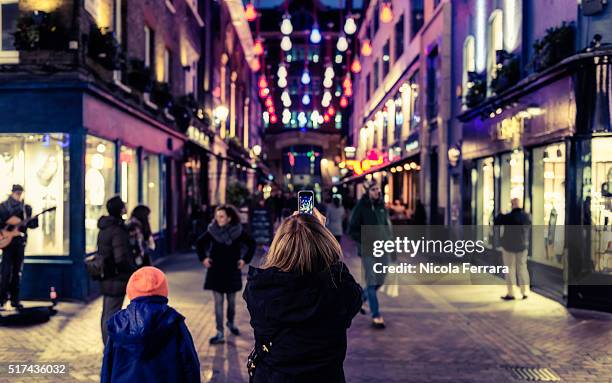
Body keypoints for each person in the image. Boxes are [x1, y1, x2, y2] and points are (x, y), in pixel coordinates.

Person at [243, 210, 362, 383]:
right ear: (325, 245)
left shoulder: (260, 289)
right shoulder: (337, 292)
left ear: (279, 246)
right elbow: (353, 294)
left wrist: (293, 231)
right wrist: (319, 232)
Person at [101, 266, 200, 383]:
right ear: (163, 291)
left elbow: (108, 366)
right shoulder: (174, 321)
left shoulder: (118, 323)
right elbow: (190, 365)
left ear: (131, 290)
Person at [197, 205, 255, 344]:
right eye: (217, 216)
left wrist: (244, 260)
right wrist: (203, 258)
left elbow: (251, 244)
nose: (218, 219)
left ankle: (230, 322)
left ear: (229, 218)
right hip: (216, 271)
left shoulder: (238, 231)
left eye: (221, 216)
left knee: (232, 303)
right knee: (218, 303)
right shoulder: (212, 230)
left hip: (232, 271)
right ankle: (219, 332)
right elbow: (200, 243)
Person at [348, 180, 393, 329]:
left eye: (378, 189)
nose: (377, 192)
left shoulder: (382, 207)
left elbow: (387, 228)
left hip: (382, 249)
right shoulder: (361, 207)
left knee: (381, 279)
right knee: (372, 282)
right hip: (368, 250)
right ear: (367, 191)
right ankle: (376, 316)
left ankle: (359, 299)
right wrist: (364, 240)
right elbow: (352, 230)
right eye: (374, 189)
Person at [97, 196, 137, 344]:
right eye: (123, 205)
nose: (126, 207)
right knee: (112, 312)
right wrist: (132, 269)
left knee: (107, 311)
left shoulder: (105, 227)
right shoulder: (117, 230)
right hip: (116, 277)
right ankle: (109, 346)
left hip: (107, 275)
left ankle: (107, 344)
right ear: (119, 209)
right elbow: (120, 257)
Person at [0, 184, 38, 310]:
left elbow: (32, 224)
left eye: (20, 193)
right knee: (5, 272)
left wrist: (32, 220)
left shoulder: (25, 208)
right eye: (16, 193)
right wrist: (6, 230)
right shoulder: (3, 207)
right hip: (7, 243)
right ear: (12, 193)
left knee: (17, 272)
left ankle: (15, 300)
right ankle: (2, 299)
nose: (18, 195)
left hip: (19, 242)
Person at [494, 198, 531, 300]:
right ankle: (525, 292)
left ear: (512, 205)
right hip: (522, 246)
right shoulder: (526, 216)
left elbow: (496, 222)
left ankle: (512, 293)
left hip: (508, 246)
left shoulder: (508, 217)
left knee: (509, 269)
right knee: (522, 268)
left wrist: (501, 213)